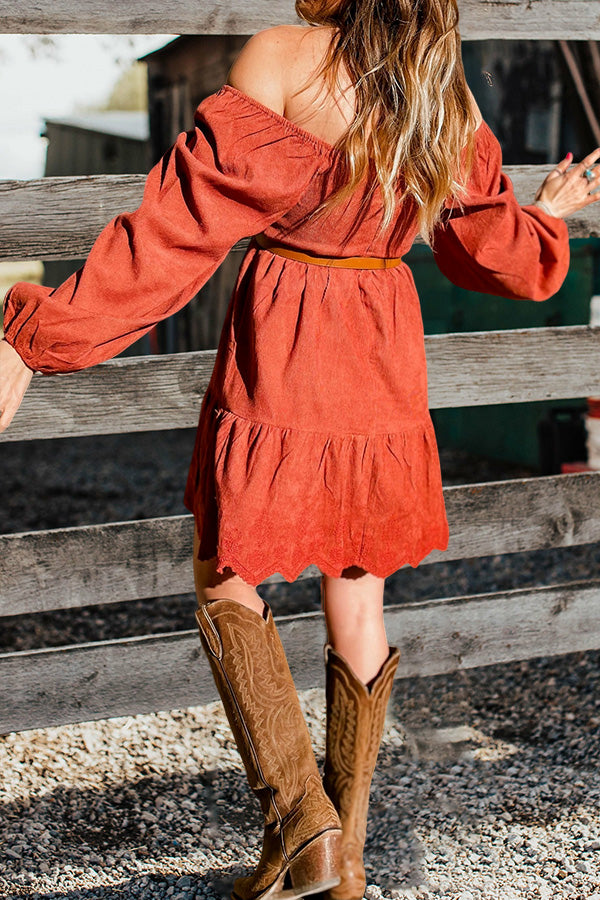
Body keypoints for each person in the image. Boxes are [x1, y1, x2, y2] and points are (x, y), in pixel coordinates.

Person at [2, 2, 600, 899]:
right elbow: (490, 251)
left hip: (288, 335)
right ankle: (342, 865)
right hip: (382, 348)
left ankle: (302, 822)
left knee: (225, 570)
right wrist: (545, 217)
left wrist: (34, 335)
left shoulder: (283, 59)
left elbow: (171, 236)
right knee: (359, 599)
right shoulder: (448, 92)